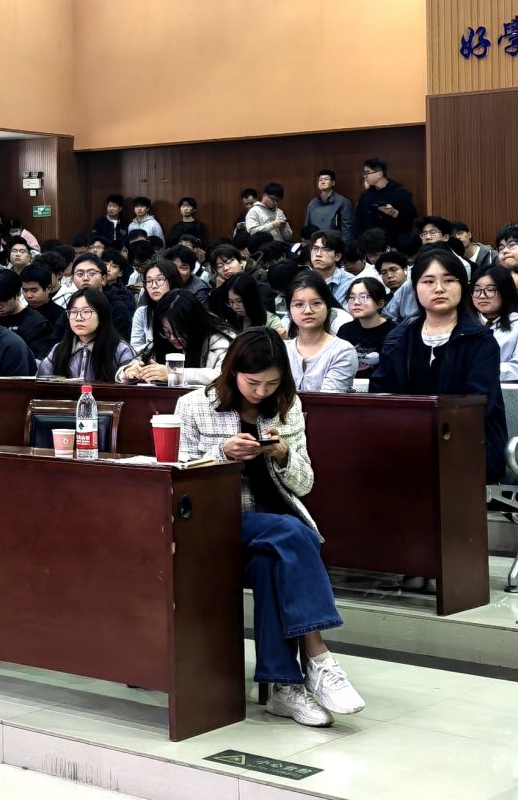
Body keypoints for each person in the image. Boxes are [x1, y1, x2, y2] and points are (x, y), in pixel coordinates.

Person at [175, 329, 364, 726]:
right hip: (216, 526)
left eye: (272, 383)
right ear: (233, 372)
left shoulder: (287, 406)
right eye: (253, 382)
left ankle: (284, 687)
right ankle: (319, 657)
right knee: (294, 533)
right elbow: (180, 480)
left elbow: (305, 484)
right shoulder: (193, 405)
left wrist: (282, 454)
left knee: (272, 561)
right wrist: (222, 453)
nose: (261, 392)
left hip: (270, 530)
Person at [368, 249, 507, 481]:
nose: (439, 288)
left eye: (449, 280)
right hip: (406, 441)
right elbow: (381, 393)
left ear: (462, 287)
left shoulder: (480, 340)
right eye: (428, 281)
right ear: (415, 288)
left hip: (469, 443)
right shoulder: (398, 339)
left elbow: (477, 403)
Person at [121, 289, 232, 387]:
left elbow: (223, 375)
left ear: (194, 325)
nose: (173, 338)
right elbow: (136, 361)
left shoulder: (220, 340)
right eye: (167, 332)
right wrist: (129, 372)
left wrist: (174, 374)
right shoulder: (162, 340)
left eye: (180, 332)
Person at [279, 273, 357, 393]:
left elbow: (327, 400)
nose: (307, 311)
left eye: (316, 303)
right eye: (299, 304)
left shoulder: (342, 351)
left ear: (328, 308)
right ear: (289, 311)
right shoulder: (281, 350)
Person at [39, 287, 137, 380]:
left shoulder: (120, 350)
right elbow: (41, 381)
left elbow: (131, 377)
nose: (78, 318)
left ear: (101, 315)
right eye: (73, 312)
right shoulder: (58, 350)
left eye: (86, 312)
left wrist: (125, 375)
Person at [469, 265, 518, 383]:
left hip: (505, 391)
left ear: (505, 291)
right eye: (477, 290)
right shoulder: (464, 323)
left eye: (490, 290)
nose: (482, 296)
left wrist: (478, 371)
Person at [338, 277, 391, 374]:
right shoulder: (345, 330)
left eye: (363, 297)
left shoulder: (393, 332)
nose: (356, 302)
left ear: (380, 303)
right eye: (352, 297)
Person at [357, 158, 419, 238]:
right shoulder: (366, 195)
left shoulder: (400, 193)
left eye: (367, 173)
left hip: (395, 240)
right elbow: (359, 221)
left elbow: (412, 219)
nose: (365, 176)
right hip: (371, 241)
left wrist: (394, 213)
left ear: (379, 174)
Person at [304, 169, 355, 238]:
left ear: (333, 182)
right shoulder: (312, 204)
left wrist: (344, 244)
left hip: (334, 242)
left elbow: (347, 229)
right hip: (316, 241)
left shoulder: (343, 202)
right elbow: (307, 227)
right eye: (320, 180)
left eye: (326, 179)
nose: (323, 182)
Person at [375, 252, 419, 323]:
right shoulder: (382, 302)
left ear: (405, 270)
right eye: (384, 272)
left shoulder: (417, 293)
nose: (389, 276)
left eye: (393, 270)